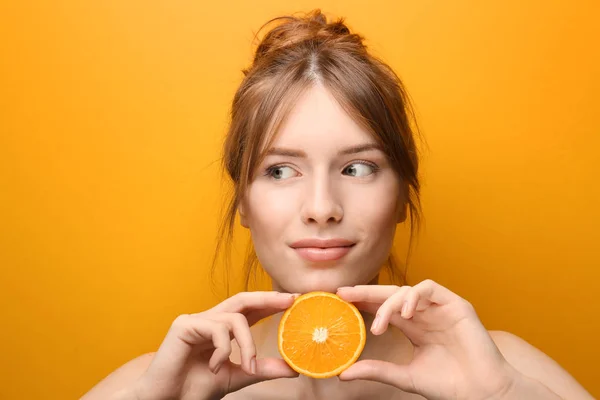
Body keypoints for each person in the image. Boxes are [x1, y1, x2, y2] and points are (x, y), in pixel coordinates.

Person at [82, 10, 593, 400]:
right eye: (280, 170)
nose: (322, 207)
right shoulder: (153, 386)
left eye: (357, 168)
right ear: (242, 201)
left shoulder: (507, 372)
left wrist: (502, 396)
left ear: (401, 194)